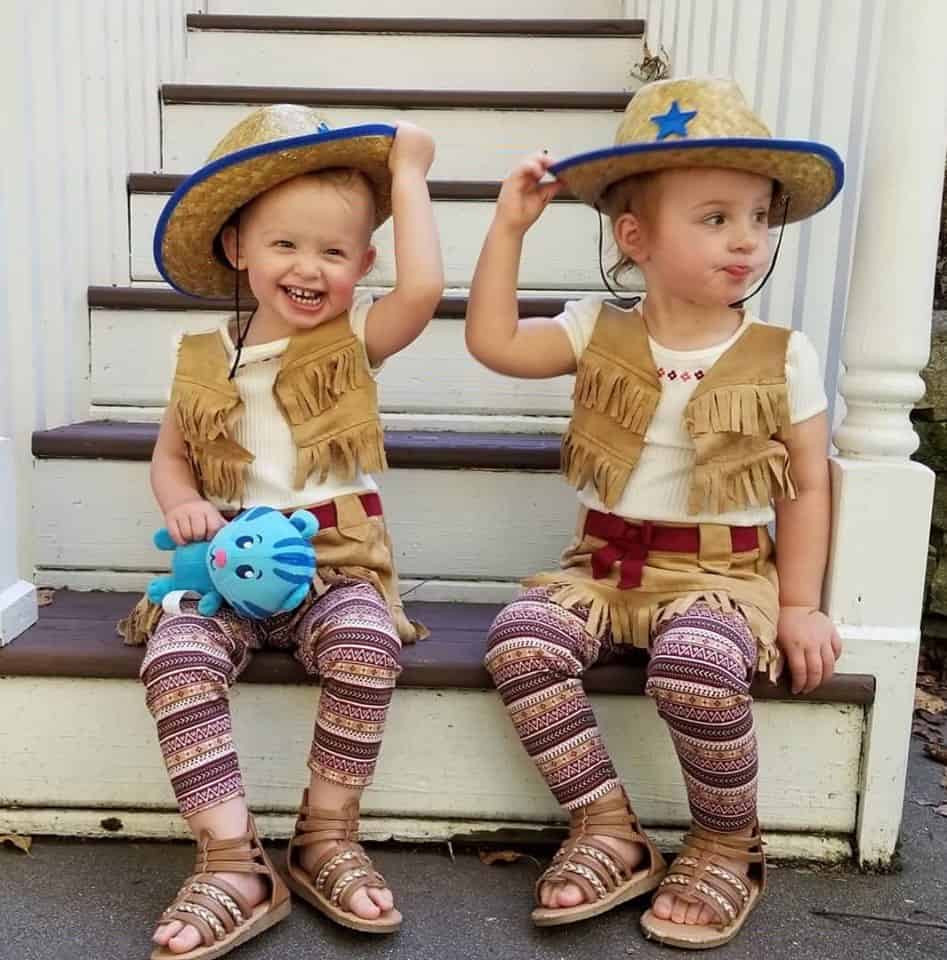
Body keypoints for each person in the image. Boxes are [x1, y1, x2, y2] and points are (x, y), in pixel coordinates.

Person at [465, 76, 844, 949]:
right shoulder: (594, 329)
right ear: (634, 237)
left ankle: (726, 841)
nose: (745, 239)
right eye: (715, 218)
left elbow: (807, 484)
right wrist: (508, 228)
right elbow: (493, 342)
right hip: (601, 570)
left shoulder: (780, 355)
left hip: (721, 575)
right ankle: (606, 828)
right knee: (520, 641)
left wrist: (797, 603)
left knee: (695, 665)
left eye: (758, 217)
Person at [119, 103, 443, 957]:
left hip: (334, 567)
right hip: (221, 568)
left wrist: (408, 174)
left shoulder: (355, 339)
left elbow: (422, 292)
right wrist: (181, 502)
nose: (308, 267)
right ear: (238, 249)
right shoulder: (199, 356)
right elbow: (170, 459)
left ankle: (326, 835)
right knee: (176, 654)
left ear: (362, 264)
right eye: (285, 245)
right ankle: (231, 861)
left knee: (367, 644)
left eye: (334, 252)